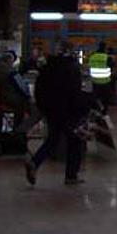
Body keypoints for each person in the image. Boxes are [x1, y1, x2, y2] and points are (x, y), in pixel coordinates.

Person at [25, 43, 93, 186]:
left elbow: (39, 90)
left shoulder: (46, 68)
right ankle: (71, 175)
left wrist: (43, 108)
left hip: (51, 111)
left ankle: (34, 163)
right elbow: (75, 92)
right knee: (75, 141)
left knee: (52, 140)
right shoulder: (72, 68)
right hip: (69, 112)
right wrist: (82, 108)